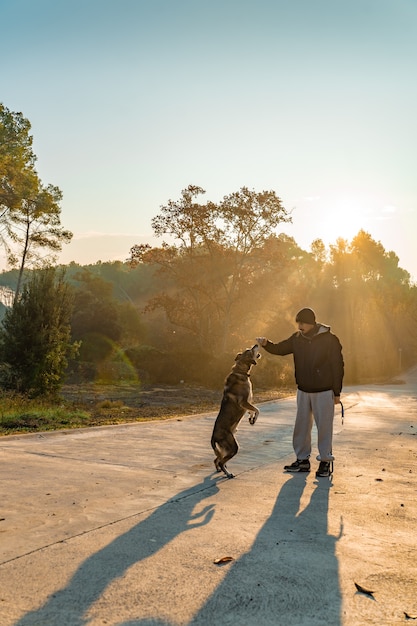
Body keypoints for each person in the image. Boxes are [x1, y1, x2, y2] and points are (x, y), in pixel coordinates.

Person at [256, 307, 344, 478]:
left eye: (302, 323)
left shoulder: (329, 339)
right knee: (302, 427)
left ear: (311, 323)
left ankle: (325, 462)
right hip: (303, 390)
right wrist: (267, 344)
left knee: (324, 428)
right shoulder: (297, 339)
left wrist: (337, 392)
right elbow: (281, 349)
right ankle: (302, 460)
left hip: (324, 391)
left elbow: (337, 365)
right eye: (298, 323)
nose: (299, 327)